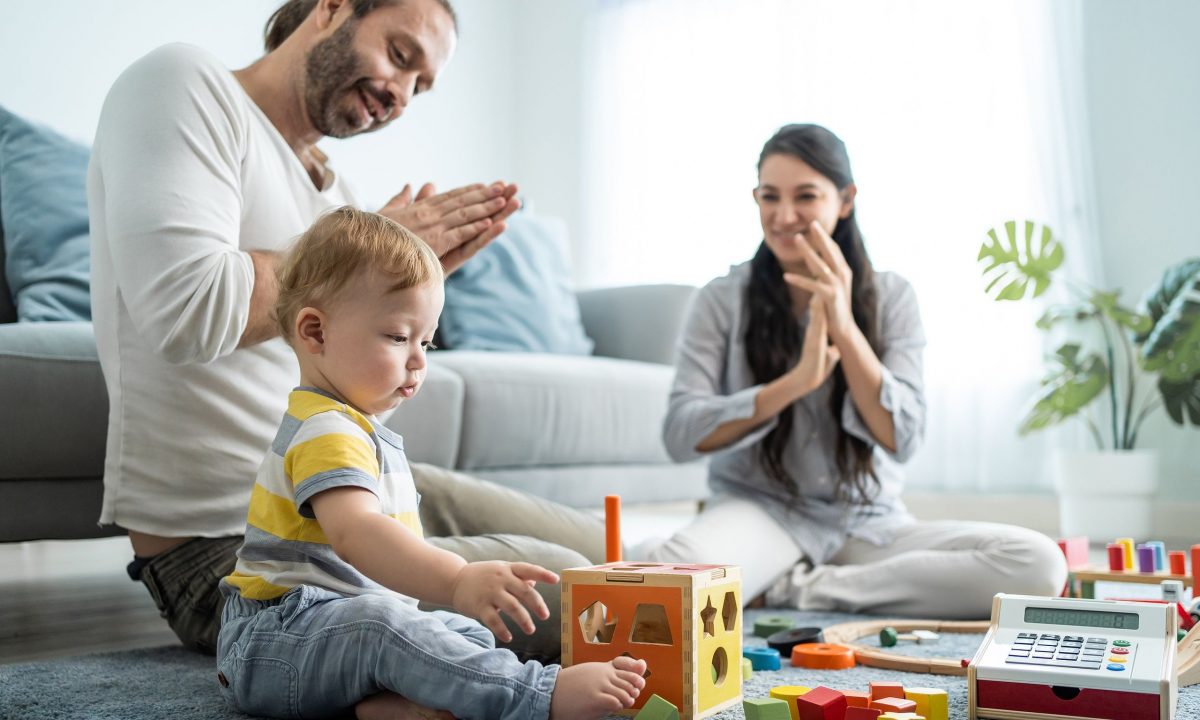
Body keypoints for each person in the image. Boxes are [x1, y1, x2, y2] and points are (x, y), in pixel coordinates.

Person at [88, 0, 604, 660]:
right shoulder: (183, 83)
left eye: (420, 85)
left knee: (603, 550)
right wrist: (353, 269)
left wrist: (402, 285)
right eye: (400, 54)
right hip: (240, 551)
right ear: (331, 9)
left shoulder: (335, 195)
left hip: (348, 482)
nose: (403, 93)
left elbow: (351, 379)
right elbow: (183, 311)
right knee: (589, 595)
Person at [216, 207, 645, 720]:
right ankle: (538, 696)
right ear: (315, 333)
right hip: (273, 642)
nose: (420, 360)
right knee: (386, 626)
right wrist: (458, 579)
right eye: (399, 337)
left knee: (461, 633)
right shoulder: (325, 429)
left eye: (427, 341)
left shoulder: (358, 428)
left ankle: (383, 707)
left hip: (326, 637)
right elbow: (356, 534)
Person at [643, 124, 1067, 619]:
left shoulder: (893, 297)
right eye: (768, 197)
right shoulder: (720, 298)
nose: (783, 216)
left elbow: (902, 437)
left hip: (867, 522)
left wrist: (844, 325)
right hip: (761, 512)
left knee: (1038, 564)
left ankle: (797, 590)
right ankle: (765, 574)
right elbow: (679, 434)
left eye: (805, 196)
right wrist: (794, 384)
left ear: (845, 200)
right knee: (659, 583)